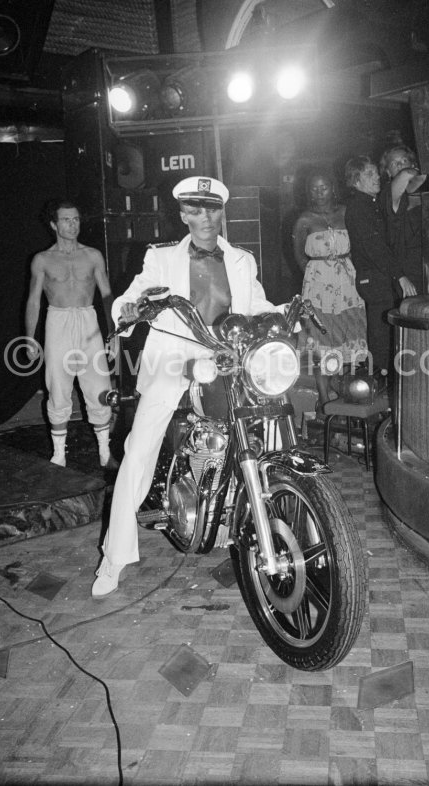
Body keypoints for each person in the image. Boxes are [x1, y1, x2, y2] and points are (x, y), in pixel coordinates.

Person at [92, 176, 285, 599]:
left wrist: (286, 313)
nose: (205, 218)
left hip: (223, 359)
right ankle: (114, 556)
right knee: (139, 451)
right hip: (172, 359)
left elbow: (256, 304)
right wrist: (129, 308)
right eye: (195, 210)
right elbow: (137, 294)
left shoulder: (241, 260)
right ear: (183, 214)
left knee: (259, 423)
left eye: (212, 209)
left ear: (222, 212)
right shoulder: (160, 257)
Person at [25, 199, 116, 469]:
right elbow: (33, 301)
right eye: (66, 220)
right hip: (58, 320)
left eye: (75, 219)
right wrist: (30, 337)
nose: (72, 224)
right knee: (59, 386)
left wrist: (114, 332)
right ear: (54, 224)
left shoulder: (92, 255)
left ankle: (104, 451)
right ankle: (59, 455)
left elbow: (107, 295)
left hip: (89, 320)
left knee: (99, 386)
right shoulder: (43, 259)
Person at [292, 170, 367, 411]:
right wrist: (318, 276)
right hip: (318, 289)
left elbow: (359, 246)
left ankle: (347, 393)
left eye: (323, 187)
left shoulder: (346, 213)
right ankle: (325, 400)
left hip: (348, 284)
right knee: (322, 342)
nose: (319, 192)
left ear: (332, 188)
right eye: (314, 188)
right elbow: (298, 256)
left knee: (348, 339)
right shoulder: (304, 219)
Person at [344, 156, 417, 375]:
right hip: (374, 279)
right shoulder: (359, 208)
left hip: (379, 277)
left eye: (376, 172)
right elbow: (374, 247)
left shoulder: (370, 204)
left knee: (384, 331)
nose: (377, 177)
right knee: (381, 334)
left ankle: (382, 378)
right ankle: (380, 379)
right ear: (356, 181)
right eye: (369, 174)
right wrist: (399, 276)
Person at [379, 145, 427, 294]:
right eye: (394, 163)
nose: (400, 165)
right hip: (407, 266)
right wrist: (420, 171)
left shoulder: (425, 190)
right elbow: (406, 174)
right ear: (388, 171)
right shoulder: (389, 192)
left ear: (412, 162)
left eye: (404, 160)